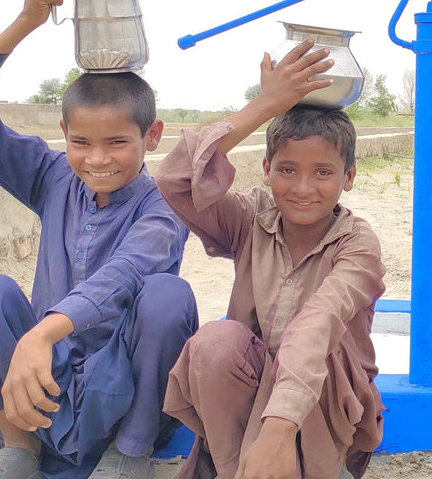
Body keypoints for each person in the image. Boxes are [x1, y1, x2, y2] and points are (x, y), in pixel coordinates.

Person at [0, 0, 198, 479]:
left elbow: (126, 275)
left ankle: (130, 453)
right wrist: (27, 19)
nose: (97, 160)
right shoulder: (51, 176)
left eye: (117, 142)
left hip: (120, 391)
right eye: (81, 143)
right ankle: (17, 447)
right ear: (63, 134)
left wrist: (43, 331)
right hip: (39, 388)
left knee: (168, 297)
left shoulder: (162, 203)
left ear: (152, 136)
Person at [155, 41, 385, 479]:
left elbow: (316, 327)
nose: (302, 188)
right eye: (286, 170)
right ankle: (234, 470)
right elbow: (175, 179)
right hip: (251, 392)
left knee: (322, 348)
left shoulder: (357, 244)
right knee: (215, 343)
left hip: (324, 404)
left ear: (349, 177)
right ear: (265, 168)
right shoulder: (249, 218)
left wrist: (278, 431)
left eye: (322, 172)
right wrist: (264, 106)